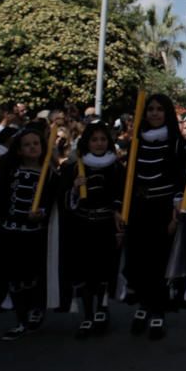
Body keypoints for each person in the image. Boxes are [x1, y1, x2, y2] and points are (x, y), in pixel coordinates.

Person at [0, 128, 60, 340]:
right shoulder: (10, 172)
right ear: (19, 150)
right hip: (10, 233)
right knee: (14, 277)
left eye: (36, 143)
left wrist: (41, 213)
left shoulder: (49, 174)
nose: (33, 147)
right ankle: (20, 319)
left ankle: (37, 309)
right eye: (27, 144)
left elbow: (52, 202)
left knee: (34, 275)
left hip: (35, 235)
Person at [122, 93, 186, 340]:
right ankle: (143, 305)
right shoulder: (136, 142)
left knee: (160, 260)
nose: (155, 113)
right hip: (139, 207)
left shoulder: (176, 142)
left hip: (163, 209)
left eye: (160, 109)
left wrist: (174, 214)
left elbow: (180, 177)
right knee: (140, 259)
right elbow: (128, 178)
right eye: (150, 109)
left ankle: (159, 310)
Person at [64, 122, 122, 339]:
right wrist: (75, 189)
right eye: (94, 140)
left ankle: (102, 309)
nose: (99, 144)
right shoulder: (74, 168)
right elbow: (67, 203)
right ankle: (87, 315)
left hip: (106, 225)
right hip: (83, 226)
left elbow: (120, 193)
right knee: (85, 272)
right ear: (87, 143)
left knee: (103, 271)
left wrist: (118, 213)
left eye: (103, 139)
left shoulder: (116, 166)